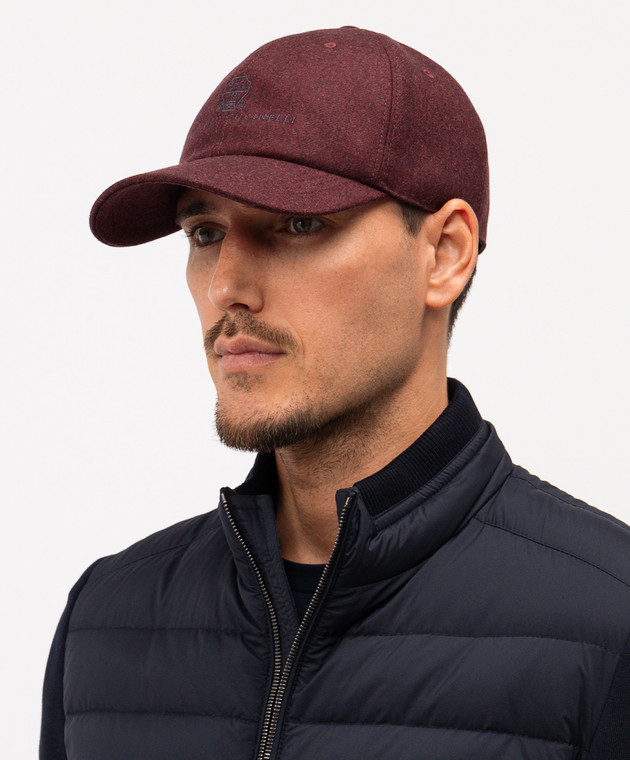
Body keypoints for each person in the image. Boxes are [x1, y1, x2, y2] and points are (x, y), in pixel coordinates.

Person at [40, 27, 630, 760]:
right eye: (205, 232)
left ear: (444, 254)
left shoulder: (608, 619)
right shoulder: (106, 620)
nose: (227, 286)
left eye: (297, 224)